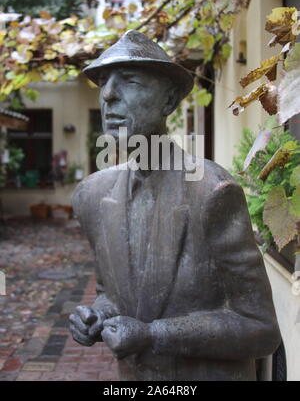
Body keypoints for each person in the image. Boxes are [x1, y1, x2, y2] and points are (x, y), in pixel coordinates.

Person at [69, 30, 280, 381]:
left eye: (130, 80)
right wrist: (97, 314)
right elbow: (111, 293)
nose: (108, 95)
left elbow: (261, 329)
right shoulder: (91, 195)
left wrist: (153, 335)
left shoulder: (212, 191)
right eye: (104, 82)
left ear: (168, 102)